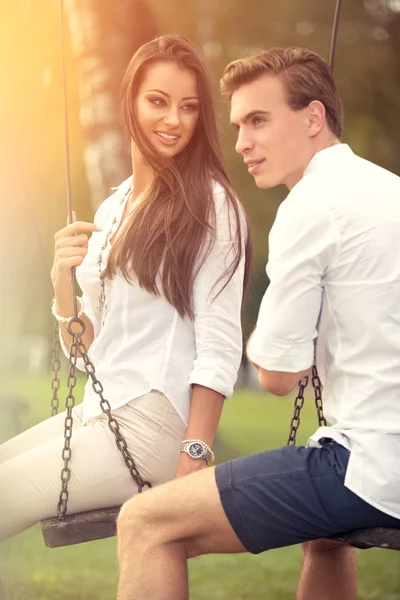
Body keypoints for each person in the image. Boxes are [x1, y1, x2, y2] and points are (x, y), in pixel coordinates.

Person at [116, 47, 400, 600]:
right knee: (325, 541)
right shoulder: (389, 188)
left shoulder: (310, 205)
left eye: (259, 120)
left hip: (372, 465)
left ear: (313, 118)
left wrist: (262, 339)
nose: (243, 142)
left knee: (146, 523)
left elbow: (275, 374)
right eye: (239, 124)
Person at [0, 34, 252, 542]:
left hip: (155, 425)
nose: (173, 120)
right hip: (102, 412)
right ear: (129, 102)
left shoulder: (211, 205)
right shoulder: (114, 207)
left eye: (188, 108)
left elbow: (220, 346)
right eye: (157, 101)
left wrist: (194, 457)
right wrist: (62, 285)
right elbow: (84, 353)